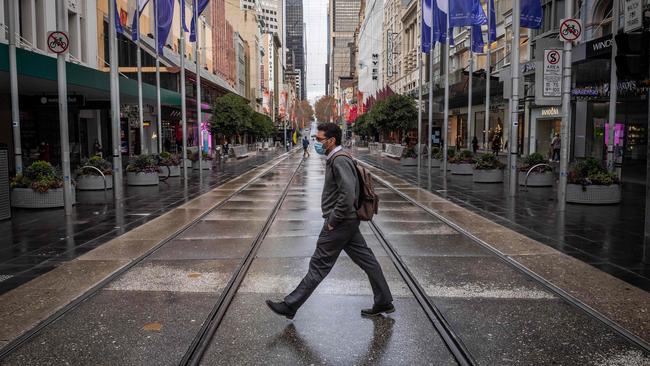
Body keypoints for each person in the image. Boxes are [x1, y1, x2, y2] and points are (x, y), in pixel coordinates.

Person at [266, 123, 394, 319]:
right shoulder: (337, 157)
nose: (317, 142)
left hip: (340, 222)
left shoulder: (339, 160)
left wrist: (333, 220)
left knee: (319, 265)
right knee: (367, 260)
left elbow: (347, 193)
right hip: (348, 222)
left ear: (332, 140)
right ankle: (384, 300)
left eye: (319, 139)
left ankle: (290, 305)